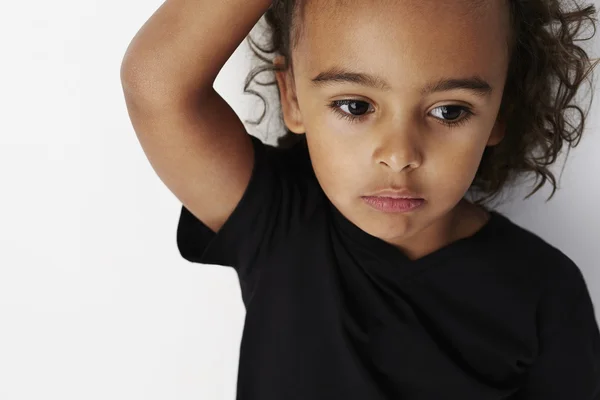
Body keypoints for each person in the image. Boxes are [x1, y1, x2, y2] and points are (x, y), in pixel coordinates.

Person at [120, 0, 600, 398]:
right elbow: (157, 86)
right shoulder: (278, 217)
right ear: (292, 98)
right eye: (355, 106)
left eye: (449, 110)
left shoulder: (547, 293)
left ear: (500, 111)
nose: (399, 155)